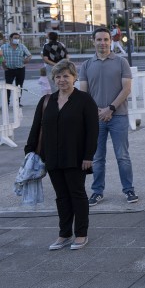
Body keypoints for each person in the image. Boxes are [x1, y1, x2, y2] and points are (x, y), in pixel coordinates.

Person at [25, 59, 98, 251]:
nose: (62, 80)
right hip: (52, 157)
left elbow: (93, 131)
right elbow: (36, 127)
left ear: (74, 77)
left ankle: (81, 233)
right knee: (61, 197)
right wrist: (29, 151)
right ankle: (64, 234)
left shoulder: (84, 100)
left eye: (66, 76)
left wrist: (88, 156)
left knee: (77, 194)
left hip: (76, 157)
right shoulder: (46, 101)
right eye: (58, 76)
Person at [79, 27, 137, 206]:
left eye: (106, 39)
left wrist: (110, 108)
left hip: (118, 116)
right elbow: (84, 93)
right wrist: (97, 111)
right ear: (93, 41)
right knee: (97, 157)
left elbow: (126, 89)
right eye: (99, 39)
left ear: (110, 41)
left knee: (122, 156)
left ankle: (128, 190)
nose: (102, 43)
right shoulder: (86, 65)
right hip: (95, 118)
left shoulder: (121, 62)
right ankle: (97, 191)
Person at [2, 32, 32, 106]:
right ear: (10, 38)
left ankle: (17, 102)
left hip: (20, 69)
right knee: (8, 86)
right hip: (9, 69)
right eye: (15, 38)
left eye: (18, 38)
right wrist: (3, 64)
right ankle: (7, 103)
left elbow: (29, 55)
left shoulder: (22, 46)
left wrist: (27, 59)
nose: (17, 39)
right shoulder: (4, 47)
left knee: (19, 86)